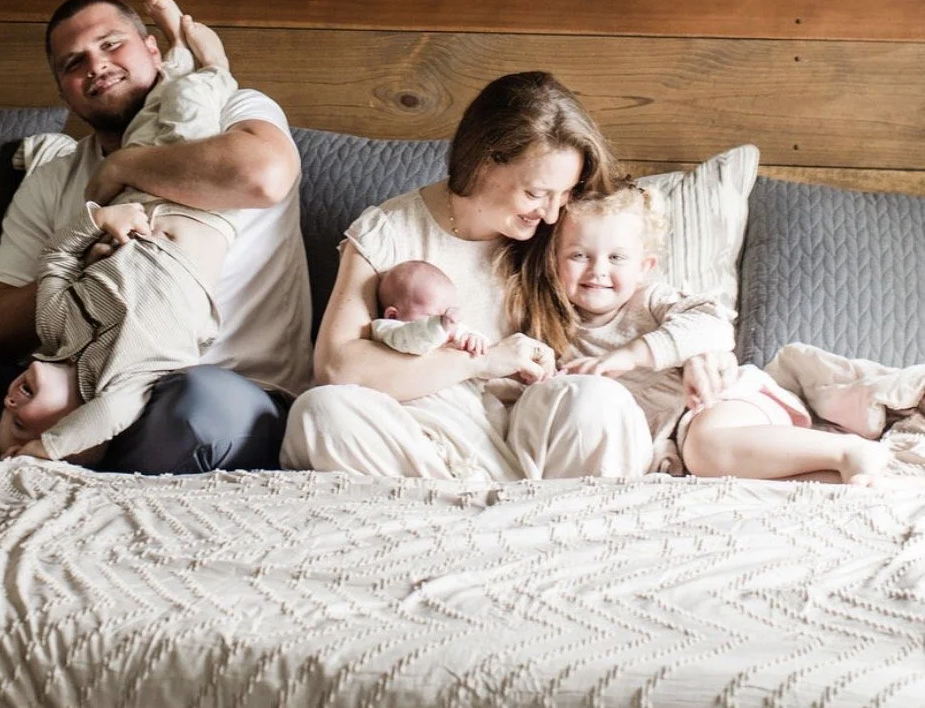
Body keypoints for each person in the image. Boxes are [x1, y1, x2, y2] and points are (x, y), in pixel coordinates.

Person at [0, 0, 312, 473]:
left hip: (215, 386)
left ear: (152, 49)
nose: (96, 65)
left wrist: (122, 168)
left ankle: (74, 447)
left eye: (111, 44)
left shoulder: (230, 108)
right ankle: (87, 443)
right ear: (64, 91)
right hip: (81, 386)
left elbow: (264, 176)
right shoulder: (54, 177)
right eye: (74, 63)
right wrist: (85, 267)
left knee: (199, 414)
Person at [279, 71, 739, 481]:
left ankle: (526, 512)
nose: (553, 213)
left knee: (598, 400)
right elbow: (337, 368)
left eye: (565, 193)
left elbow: (643, 299)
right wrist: (481, 362)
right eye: (536, 193)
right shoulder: (389, 232)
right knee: (319, 413)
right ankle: (471, 507)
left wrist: (692, 351)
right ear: (485, 161)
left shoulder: (563, 230)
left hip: (543, 436)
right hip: (428, 433)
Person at [555, 180, 902, 485]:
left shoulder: (650, 300)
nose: (598, 270)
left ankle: (848, 450)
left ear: (644, 267)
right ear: (553, 260)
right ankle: (847, 477)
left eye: (617, 257)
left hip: (722, 401)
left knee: (704, 446)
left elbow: (713, 326)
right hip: (678, 441)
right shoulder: (556, 326)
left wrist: (633, 354)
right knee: (709, 466)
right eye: (579, 255)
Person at [370, 260, 487, 357]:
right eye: (433, 317)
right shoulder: (386, 330)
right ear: (393, 316)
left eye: (449, 312)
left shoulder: (449, 327)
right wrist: (439, 324)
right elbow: (413, 341)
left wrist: (473, 339)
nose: (448, 323)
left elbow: (463, 332)